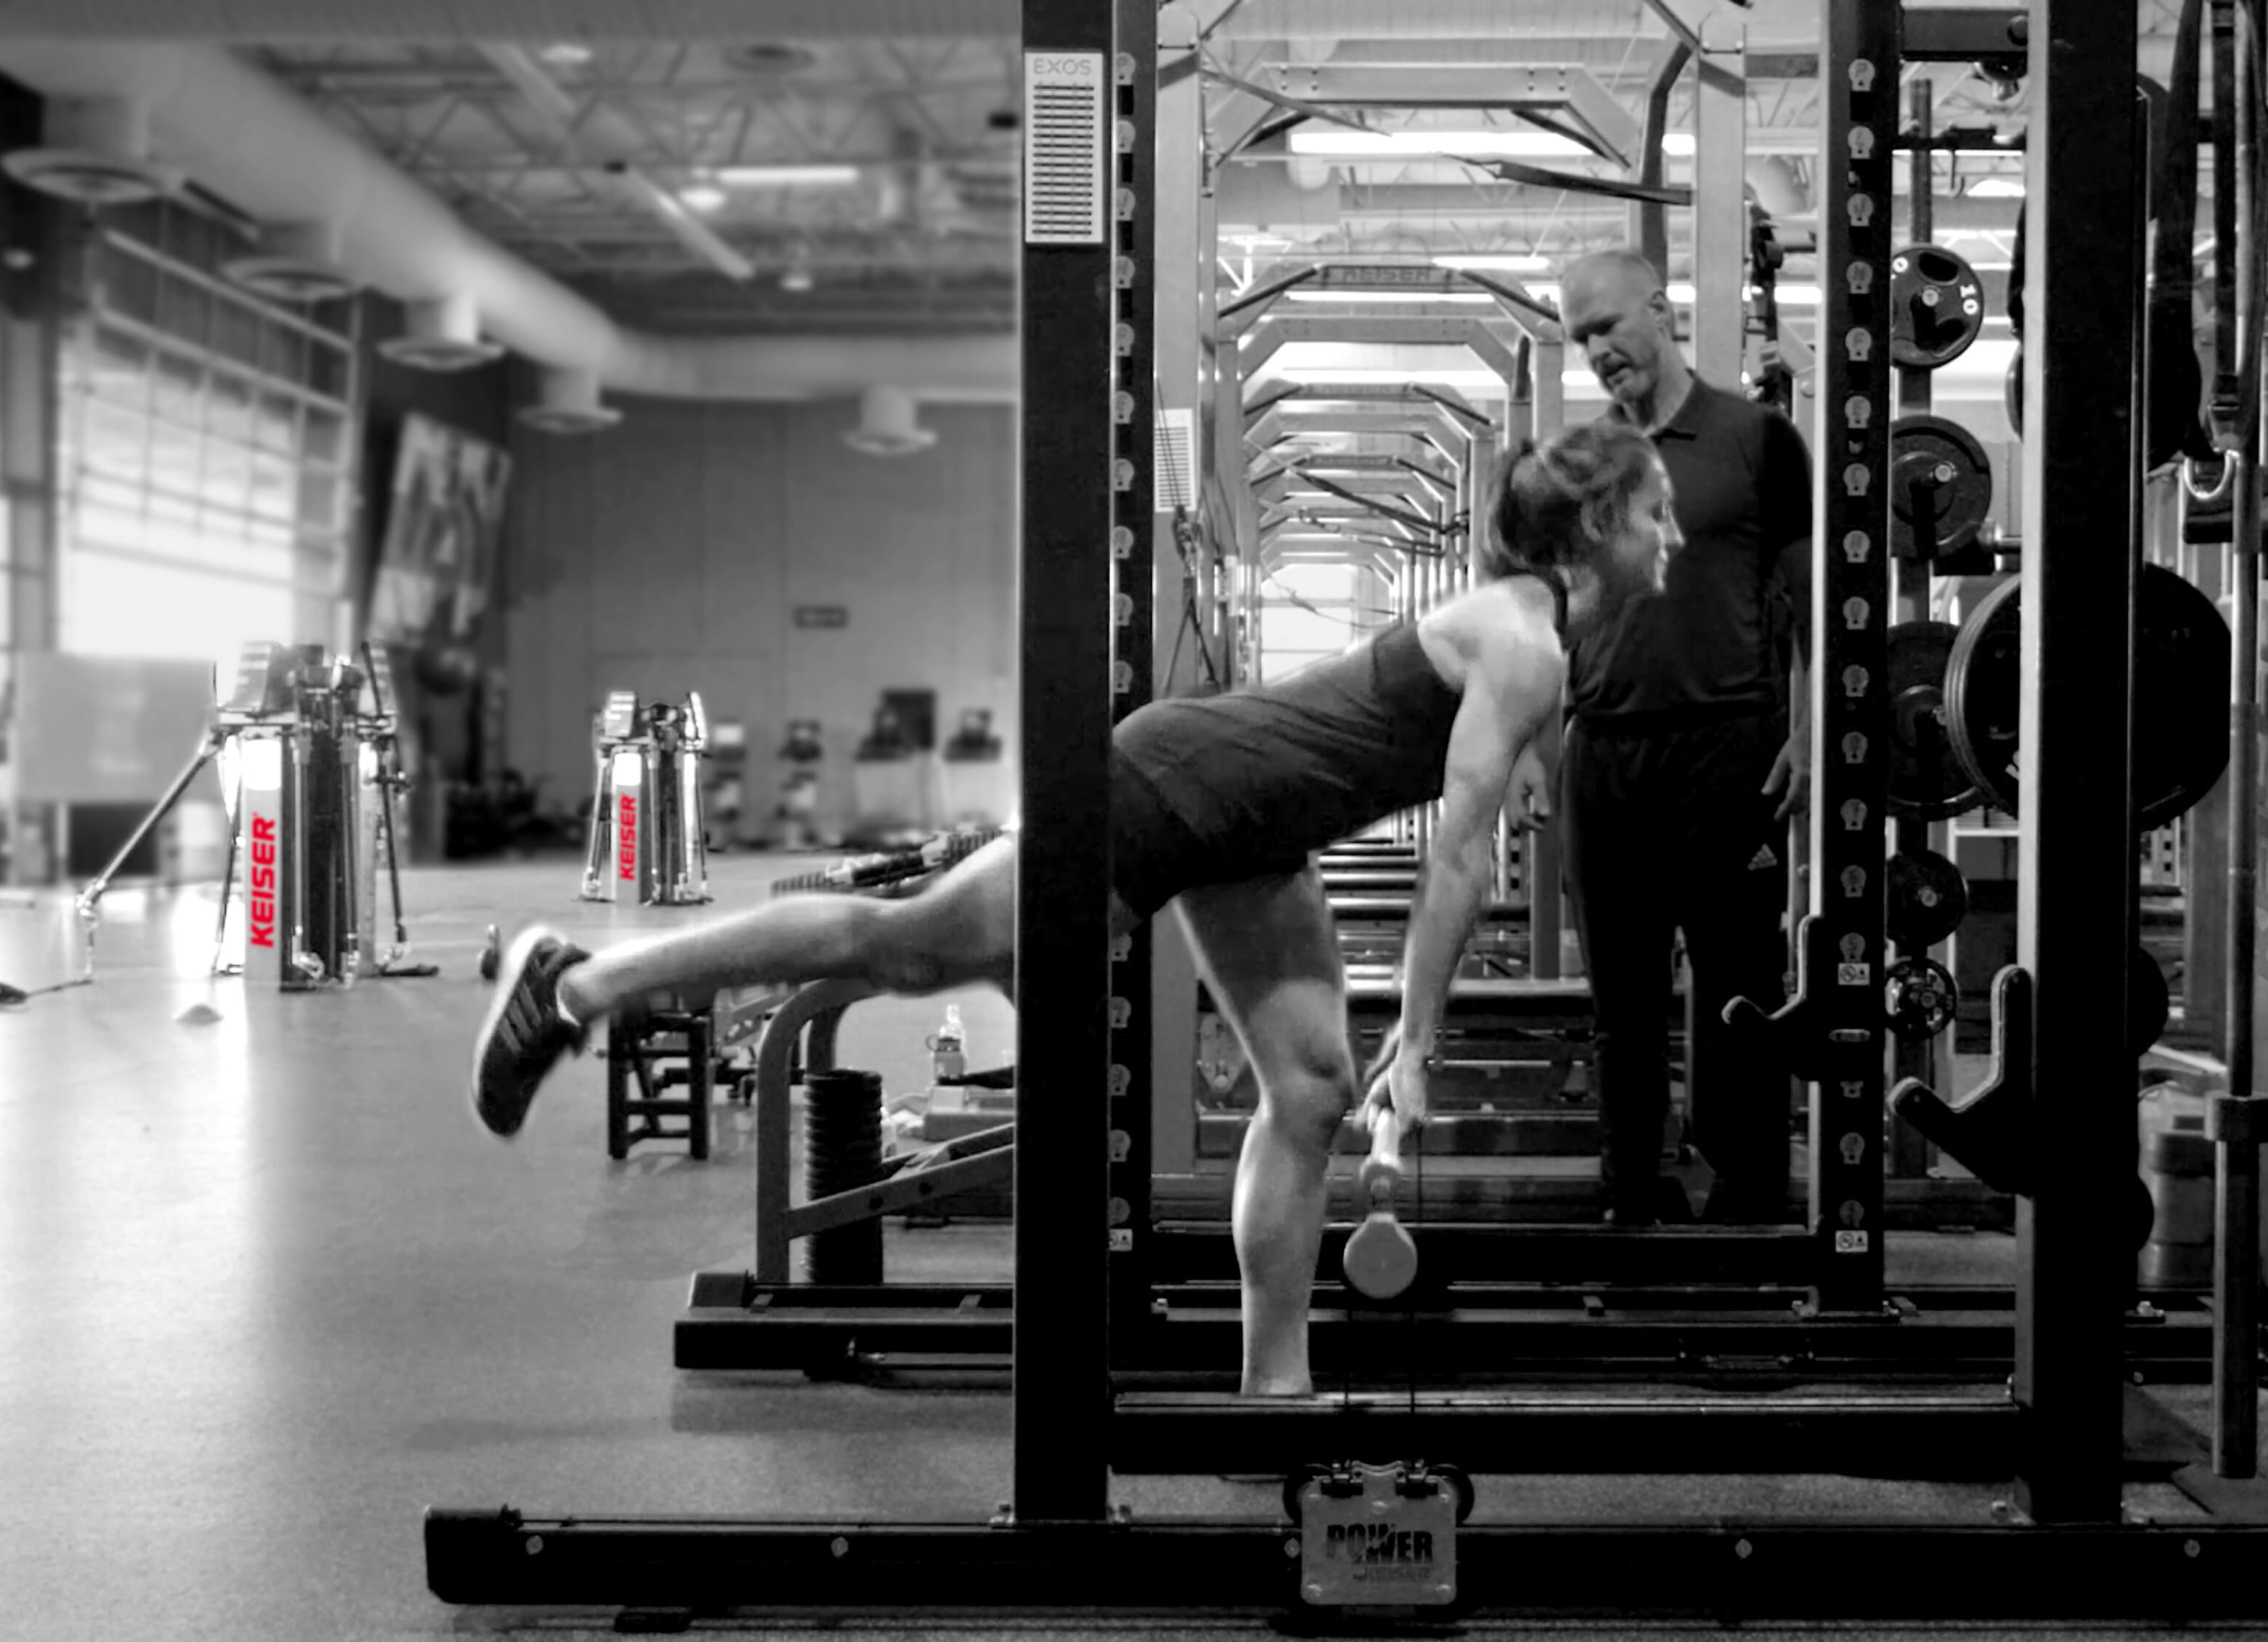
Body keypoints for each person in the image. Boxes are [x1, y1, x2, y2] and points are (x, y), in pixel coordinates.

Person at [469, 420, 1680, 1396]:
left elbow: (1468, 805)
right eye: (1655, 512)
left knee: (1308, 1094)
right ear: (1591, 531)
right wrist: (1419, 1045)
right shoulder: (1527, 642)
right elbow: (1458, 858)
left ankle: (1277, 1396)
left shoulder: (1532, 639)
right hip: (1173, 791)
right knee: (901, 951)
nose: (1675, 535)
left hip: (1252, 830)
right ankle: (578, 982)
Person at [1550, 248, 1814, 1225]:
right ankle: (1631, 1192)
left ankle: (1749, 1192)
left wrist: (1812, 729)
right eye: (1580, 338)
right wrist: (1540, 754)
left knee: (1740, 981)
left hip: (1730, 747)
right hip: (1606, 747)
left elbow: (1814, 599)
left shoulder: (1758, 441)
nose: (1597, 352)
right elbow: (1552, 612)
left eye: (1607, 327)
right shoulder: (1578, 460)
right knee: (1622, 1000)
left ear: (1658, 312)